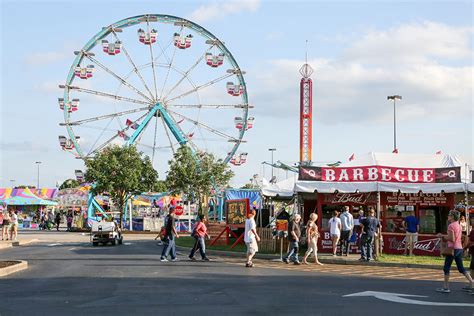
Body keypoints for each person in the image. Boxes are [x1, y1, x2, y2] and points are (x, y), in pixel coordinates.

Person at [436, 210, 473, 293]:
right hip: (459, 248)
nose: (448, 216)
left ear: (452, 216)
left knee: (446, 268)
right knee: (461, 268)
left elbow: (452, 239)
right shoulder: (458, 225)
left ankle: (446, 287)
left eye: (449, 215)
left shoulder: (451, 226)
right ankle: (472, 283)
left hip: (452, 248)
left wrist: (441, 236)